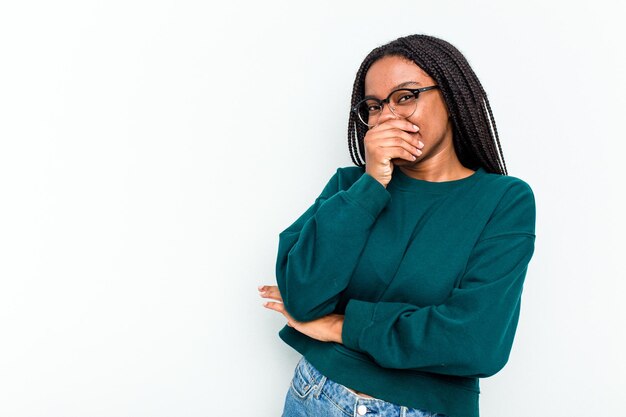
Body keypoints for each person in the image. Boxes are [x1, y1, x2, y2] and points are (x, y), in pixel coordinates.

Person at [258, 33, 536, 417]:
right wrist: (371, 186)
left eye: (405, 97)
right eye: (374, 106)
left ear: (452, 98)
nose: (388, 116)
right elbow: (303, 299)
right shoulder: (351, 186)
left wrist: (342, 327)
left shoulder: (504, 200)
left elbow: (476, 342)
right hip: (315, 396)